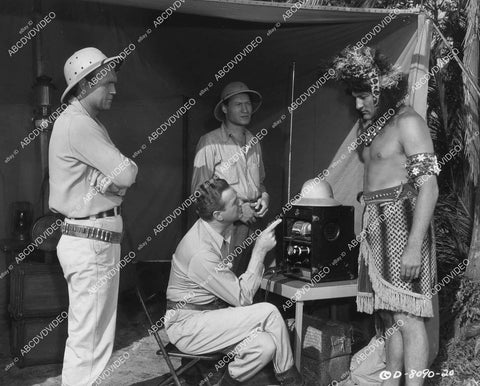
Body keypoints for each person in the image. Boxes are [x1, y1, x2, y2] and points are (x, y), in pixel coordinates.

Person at [332, 46, 439, 386]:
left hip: (404, 222)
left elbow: (430, 188)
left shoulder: (408, 122)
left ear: (382, 91)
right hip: (375, 226)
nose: (358, 104)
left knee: (408, 316)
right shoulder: (376, 127)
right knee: (389, 317)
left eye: (364, 97)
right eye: (355, 97)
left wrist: (413, 245)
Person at [49, 47, 138, 385]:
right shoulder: (78, 124)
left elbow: (119, 178)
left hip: (95, 241)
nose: (115, 90)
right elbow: (127, 173)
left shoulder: (86, 122)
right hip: (91, 242)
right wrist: (115, 182)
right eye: (108, 83)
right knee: (88, 343)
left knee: (94, 340)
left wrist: (113, 182)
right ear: (85, 84)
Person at [164, 178, 303, 386]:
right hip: (188, 327)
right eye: (234, 203)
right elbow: (243, 298)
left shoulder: (212, 229)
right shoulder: (201, 251)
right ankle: (291, 380)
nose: (241, 204)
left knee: (265, 345)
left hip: (208, 316)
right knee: (269, 311)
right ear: (218, 215)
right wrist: (259, 251)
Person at [191, 82, 270, 276]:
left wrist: (265, 197)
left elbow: (259, 183)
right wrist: (238, 212)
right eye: (238, 104)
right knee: (226, 280)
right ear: (225, 108)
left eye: (248, 104)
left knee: (251, 277)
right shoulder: (209, 142)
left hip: (254, 222)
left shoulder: (254, 141)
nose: (245, 109)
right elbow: (199, 193)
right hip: (226, 227)